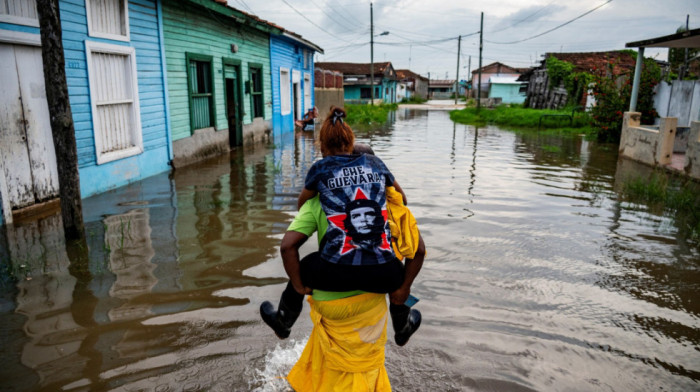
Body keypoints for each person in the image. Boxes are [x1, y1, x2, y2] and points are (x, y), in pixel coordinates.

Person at [260, 107, 423, 347]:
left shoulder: (320, 169)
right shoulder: (376, 164)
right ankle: (402, 327)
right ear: (351, 141)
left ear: (322, 147)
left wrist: (298, 284)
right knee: (398, 268)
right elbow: (412, 231)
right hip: (384, 276)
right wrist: (403, 289)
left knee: (304, 265)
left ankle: (284, 322)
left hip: (334, 274)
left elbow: (287, 245)